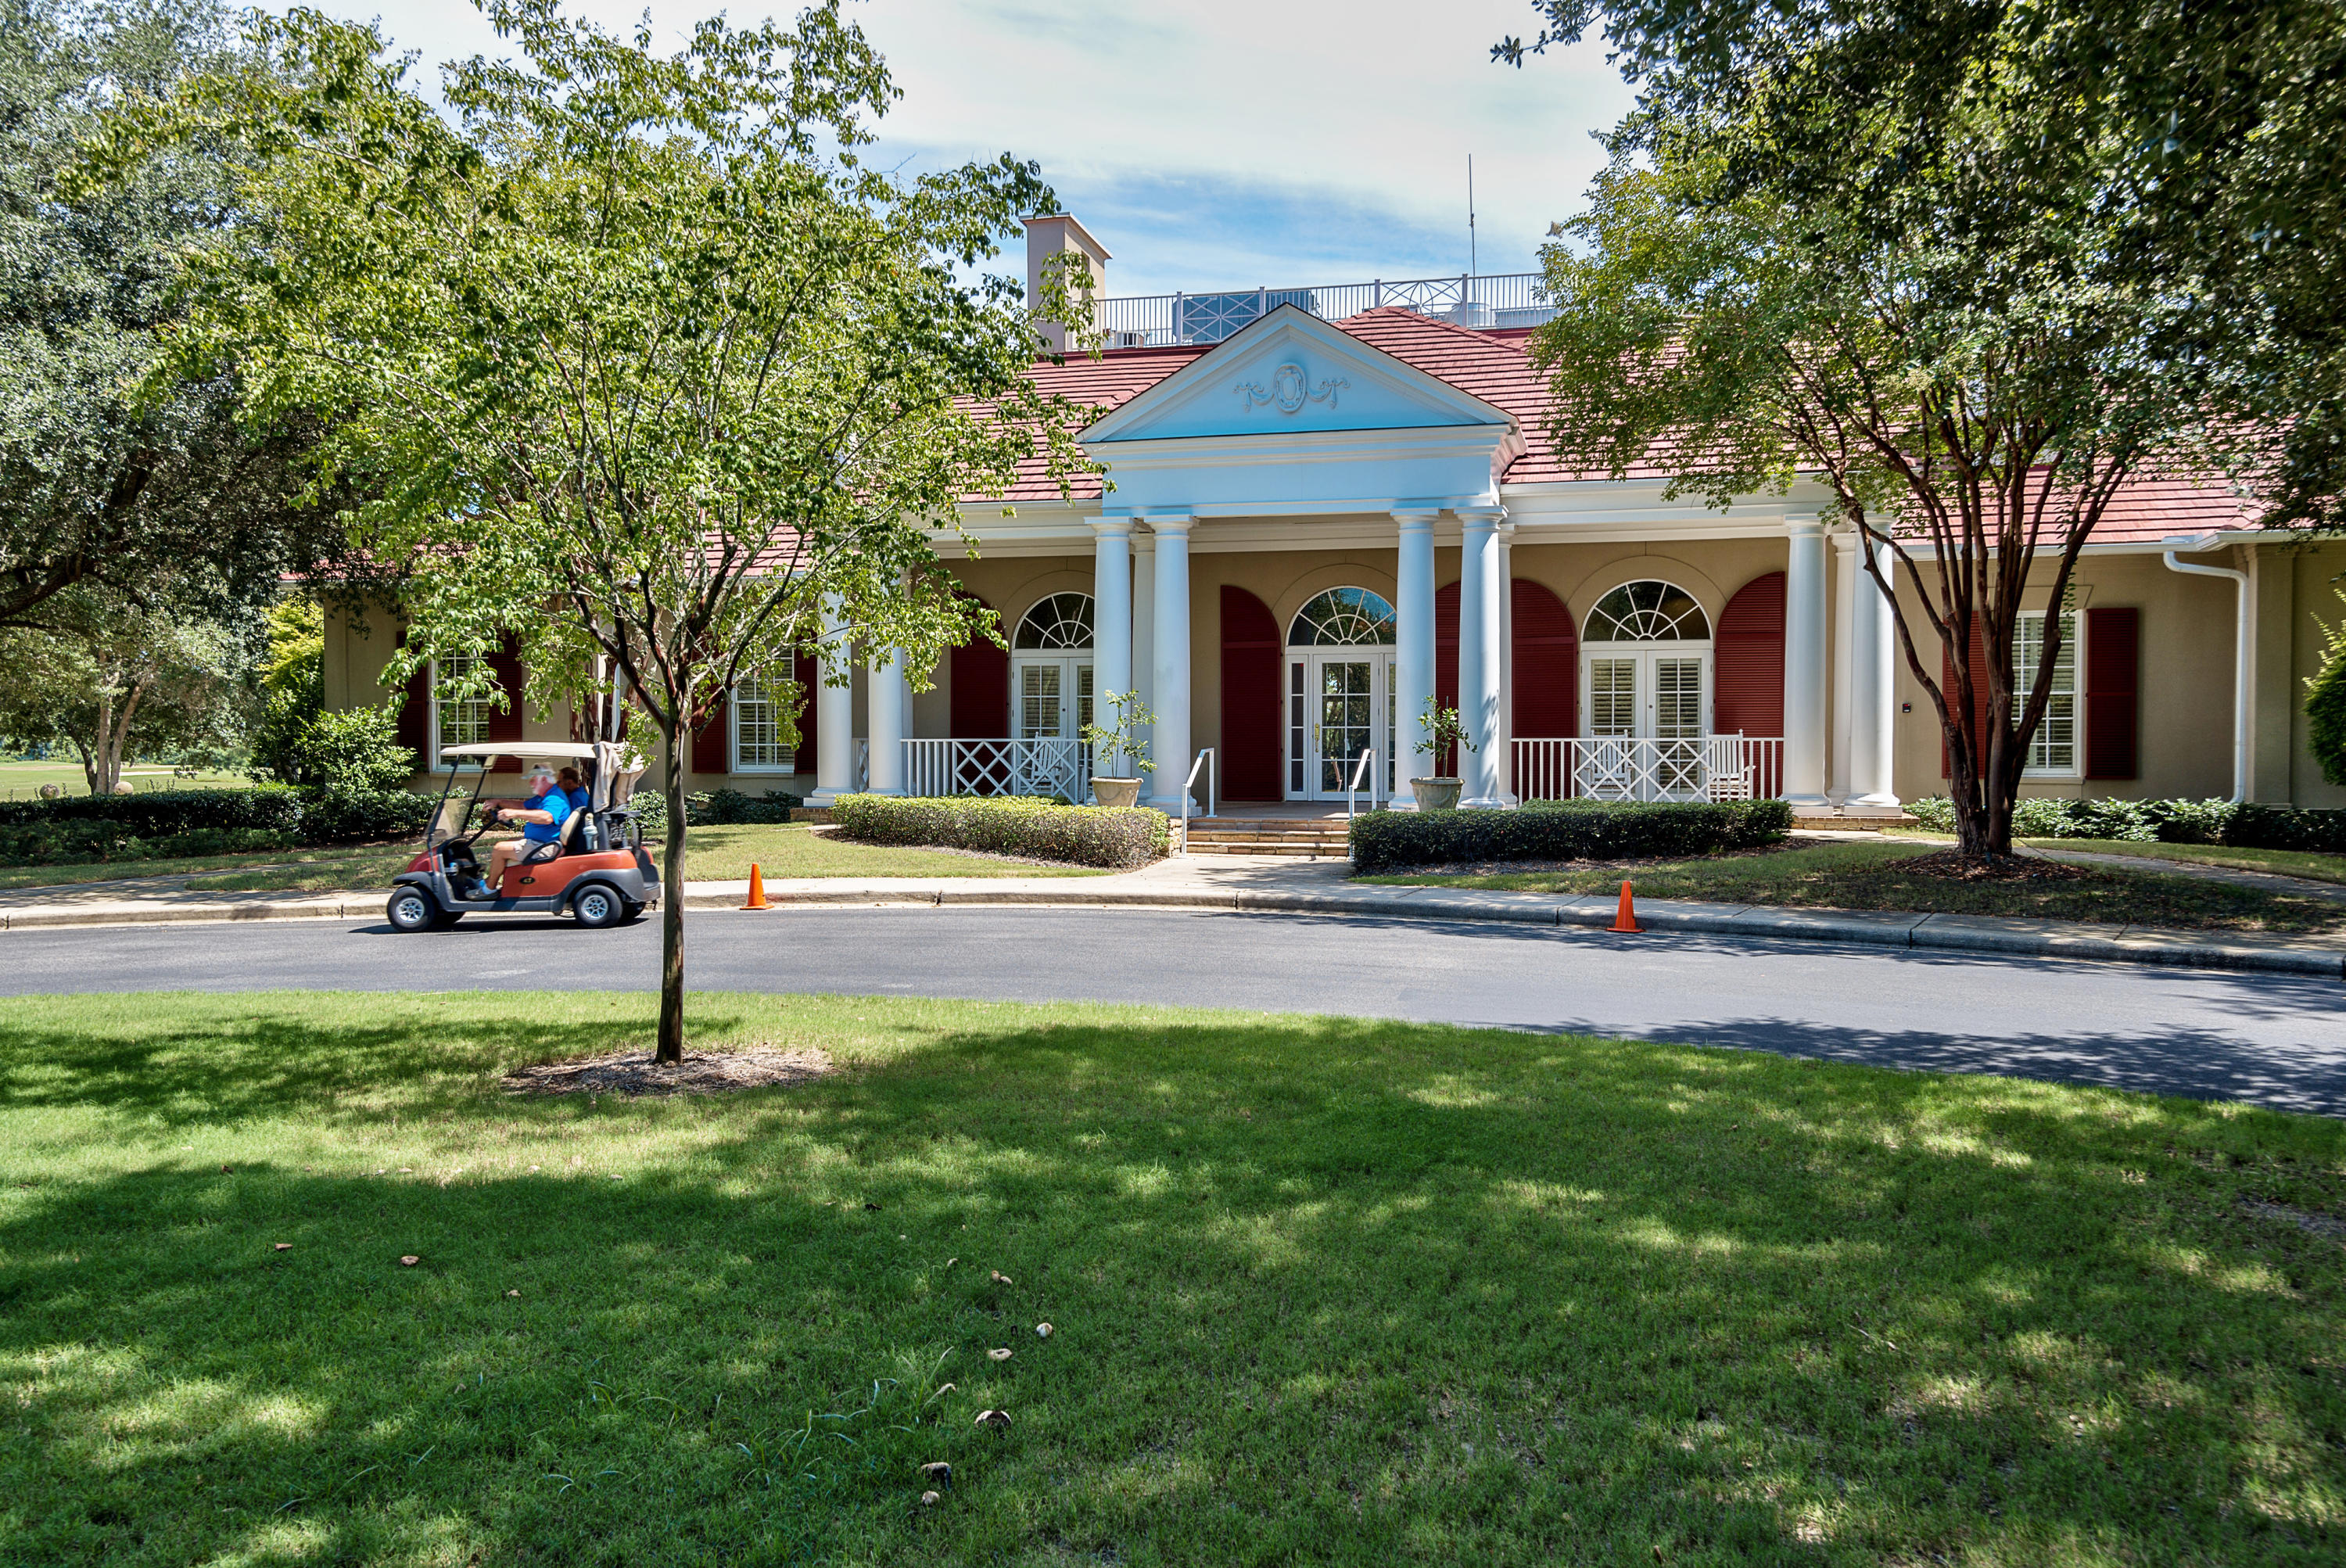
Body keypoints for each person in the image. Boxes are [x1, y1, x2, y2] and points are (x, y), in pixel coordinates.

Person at [484, 766, 586, 888]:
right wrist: (498, 802)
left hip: (547, 845)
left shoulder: (555, 798)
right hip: (541, 842)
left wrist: (515, 814)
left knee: (499, 849)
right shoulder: (544, 796)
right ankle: (493, 883)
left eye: (533, 779)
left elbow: (547, 817)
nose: (530, 783)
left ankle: (488, 890)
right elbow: (523, 805)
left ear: (543, 779)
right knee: (507, 843)